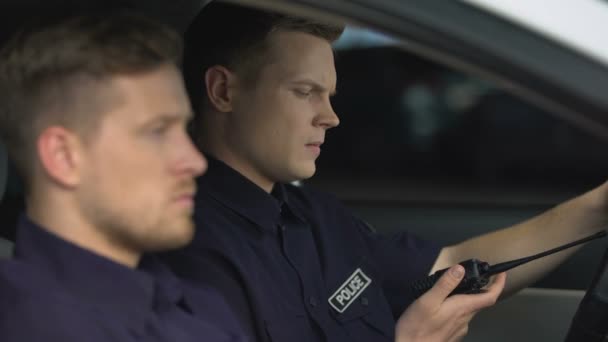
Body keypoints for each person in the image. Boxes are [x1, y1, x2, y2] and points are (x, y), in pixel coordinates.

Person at [164, 2, 607, 341]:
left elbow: (449, 266)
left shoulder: (313, 216)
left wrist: (597, 208)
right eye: (305, 92)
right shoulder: (185, 250)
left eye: (330, 95)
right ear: (224, 90)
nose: (330, 117)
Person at [0, 12, 245, 341]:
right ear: (64, 156)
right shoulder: (31, 325)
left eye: (184, 130)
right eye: (157, 132)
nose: (195, 161)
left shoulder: (194, 299)